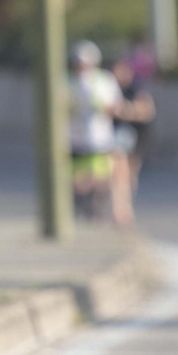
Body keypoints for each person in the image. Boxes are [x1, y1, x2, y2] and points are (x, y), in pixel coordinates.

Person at [67, 40, 122, 220]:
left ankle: (96, 208)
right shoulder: (68, 81)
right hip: (74, 137)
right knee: (77, 176)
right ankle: (80, 205)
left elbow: (115, 105)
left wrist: (107, 108)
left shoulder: (104, 80)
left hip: (99, 137)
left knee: (100, 175)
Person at [111, 58, 156, 230]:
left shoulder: (136, 89)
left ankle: (125, 205)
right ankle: (120, 209)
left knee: (131, 175)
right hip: (118, 138)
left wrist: (126, 111)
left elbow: (146, 110)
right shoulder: (111, 89)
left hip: (137, 137)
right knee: (118, 174)